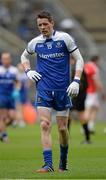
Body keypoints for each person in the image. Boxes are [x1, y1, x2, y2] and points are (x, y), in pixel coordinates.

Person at [21, 11, 84, 172]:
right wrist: (28, 71)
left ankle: (63, 161)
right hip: (44, 89)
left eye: (45, 24)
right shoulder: (35, 42)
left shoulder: (64, 39)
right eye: (39, 25)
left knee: (62, 128)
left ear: (52, 23)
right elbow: (24, 57)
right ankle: (48, 164)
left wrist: (76, 80)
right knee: (44, 124)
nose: (42, 28)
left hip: (63, 89)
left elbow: (79, 59)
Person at [68, 56, 91, 144]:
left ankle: (87, 138)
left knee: (81, 115)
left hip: (79, 96)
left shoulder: (77, 69)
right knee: (68, 114)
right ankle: (67, 137)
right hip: (75, 96)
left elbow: (82, 85)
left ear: (73, 60)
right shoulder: (73, 69)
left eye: (70, 59)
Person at [0, 52, 20, 142]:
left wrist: (17, 90)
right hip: (1, 95)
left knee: (12, 118)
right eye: (4, 59)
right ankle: (4, 136)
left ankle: (2, 130)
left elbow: (17, 82)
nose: (6, 60)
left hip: (11, 96)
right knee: (3, 117)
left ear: (10, 60)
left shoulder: (14, 70)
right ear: (1, 60)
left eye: (7, 58)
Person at [84, 55, 104, 133]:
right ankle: (85, 128)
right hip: (91, 91)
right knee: (88, 109)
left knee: (95, 108)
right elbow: (96, 80)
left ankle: (90, 126)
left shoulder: (86, 65)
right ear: (96, 60)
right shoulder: (94, 67)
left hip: (85, 90)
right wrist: (102, 91)